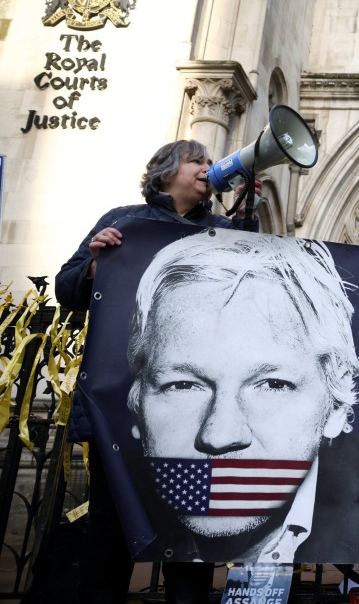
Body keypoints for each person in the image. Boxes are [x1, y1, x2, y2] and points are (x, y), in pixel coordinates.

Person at [54, 139, 258, 604]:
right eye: (197, 161)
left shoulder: (224, 230)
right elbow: (67, 290)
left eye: (210, 162)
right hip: (120, 411)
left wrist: (250, 220)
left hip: (192, 420)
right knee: (109, 530)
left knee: (187, 539)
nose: (207, 167)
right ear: (166, 172)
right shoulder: (124, 221)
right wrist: (95, 266)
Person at [122, 229, 359, 565]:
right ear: (137, 404)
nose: (220, 436)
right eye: (183, 385)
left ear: (335, 407)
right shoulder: (117, 508)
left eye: (272, 384)